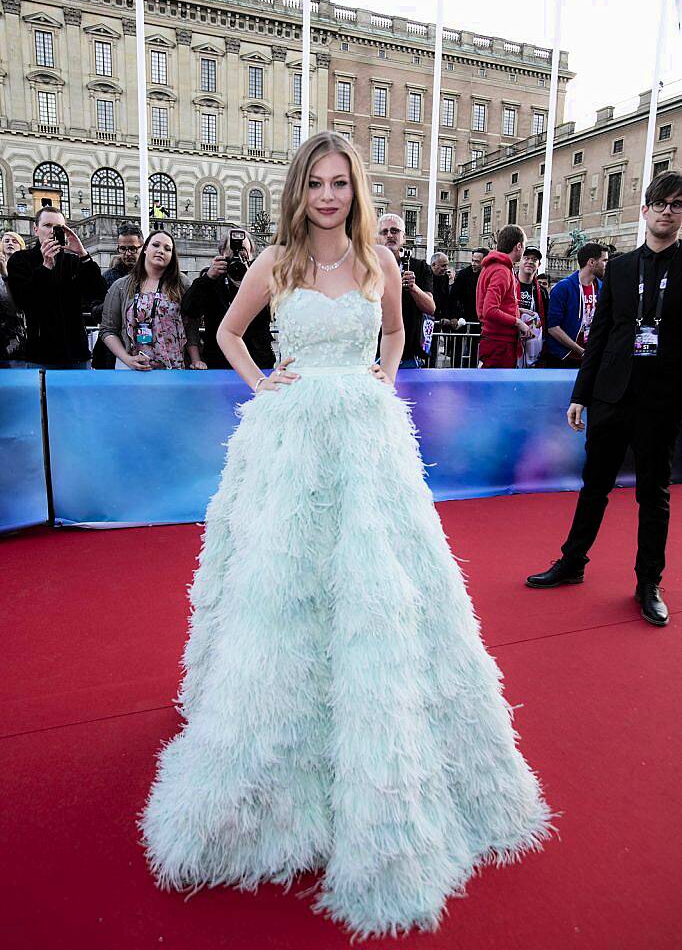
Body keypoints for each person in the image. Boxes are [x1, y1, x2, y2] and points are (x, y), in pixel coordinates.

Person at [140, 131, 551, 939]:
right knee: (284, 587)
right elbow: (227, 335)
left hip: (367, 443)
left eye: (340, 183)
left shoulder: (380, 266)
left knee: (376, 586)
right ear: (300, 190)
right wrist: (267, 383)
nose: (329, 196)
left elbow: (397, 335)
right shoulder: (275, 263)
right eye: (316, 183)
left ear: (354, 191)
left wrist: (382, 379)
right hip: (291, 441)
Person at [526, 171, 682, 628]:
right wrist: (581, 394)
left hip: (662, 401)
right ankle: (572, 563)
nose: (668, 210)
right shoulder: (618, 268)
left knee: (654, 496)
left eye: (676, 204)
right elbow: (597, 340)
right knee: (594, 485)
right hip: (612, 397)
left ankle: (647, 583)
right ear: (645, 210)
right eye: (661, 203)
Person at [6, 206, 106, 368]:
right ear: (36, 229)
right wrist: (45, 267)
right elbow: (22, 300)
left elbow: (99, 291)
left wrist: (83, 254)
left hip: (77, 353)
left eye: (58, 227)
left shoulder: (73, 261)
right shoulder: (20, 259)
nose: (52, 231)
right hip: (41, 355)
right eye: (47, 225)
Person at [100, 230, 204, 370]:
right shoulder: (121, 286)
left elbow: (191, 327)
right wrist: (127, 359)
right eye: (156, 245)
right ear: (145, 249)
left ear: (172, 256)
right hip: (134, 370)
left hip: (174, 369)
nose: (161, 251)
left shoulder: (183, 284)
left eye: (167, 249)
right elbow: (108, 330)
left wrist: (196, 360)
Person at [181, 227, 275, 370]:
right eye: (232, 251)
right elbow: (189, 309)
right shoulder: (211, 280)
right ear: (222, 253)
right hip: (219, 360)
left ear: (251, 254)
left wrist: (255, 279)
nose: (237, 256)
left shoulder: (262, 279)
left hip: (257, 360)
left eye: (243, 251)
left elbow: (274, 313)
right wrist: (208, 279)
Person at [377, 212, 435, 367]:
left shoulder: (420, 267)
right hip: (376, 353)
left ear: (404, 237)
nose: (389, 235)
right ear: (378, 238)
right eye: (384, 232)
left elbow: (430, 307)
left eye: (394, 231)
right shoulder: (367, 268)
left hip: (409, 354)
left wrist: (413, 288)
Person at [91, 223, 145, 369]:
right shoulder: (109, 277)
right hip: (110, 352)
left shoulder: (152, 276)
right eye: (123, 249)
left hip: (144, 346)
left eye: (133, 248)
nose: (127, 254)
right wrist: (114, 305)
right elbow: (95, 312)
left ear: (143, 248)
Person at [545, 243, 608, 367]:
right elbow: (553, 328)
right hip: (563, 357)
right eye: (604, 260)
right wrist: (581, 351)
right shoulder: (563, 288)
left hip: (590, 356)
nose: (607, 264)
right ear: (591, 262)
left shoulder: (601, 287)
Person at [476, 226, 531, 368]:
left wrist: (519, 311)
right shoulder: (501, 270)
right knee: (497, 389)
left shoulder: (493, 267)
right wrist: (518, 322)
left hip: (496, 341)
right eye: (524, 246)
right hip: (500, 343)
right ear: (518, 246)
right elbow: (490, 310)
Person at [516, 245, 548, 368]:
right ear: (520, 261)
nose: (530, 262)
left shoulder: (542, 291)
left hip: (533, 342)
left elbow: (547, 317)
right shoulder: (509, 284)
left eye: (534, 259)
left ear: (538, 265)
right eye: (526, 258)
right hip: (512, 339)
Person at [0, 233, 27, 365]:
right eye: (6, 241)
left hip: (18, 332)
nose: (10, 243)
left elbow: (16, 304)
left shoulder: (25, 269)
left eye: (15, 241)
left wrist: (6, 275)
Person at [452, 247, 486, 324]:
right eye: (472, 261)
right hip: (464, 318)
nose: (473, 264)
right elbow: (454, 296)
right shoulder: (463, 274)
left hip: (482, 319)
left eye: (477, 261)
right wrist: (454, 316)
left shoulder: (490, 275)